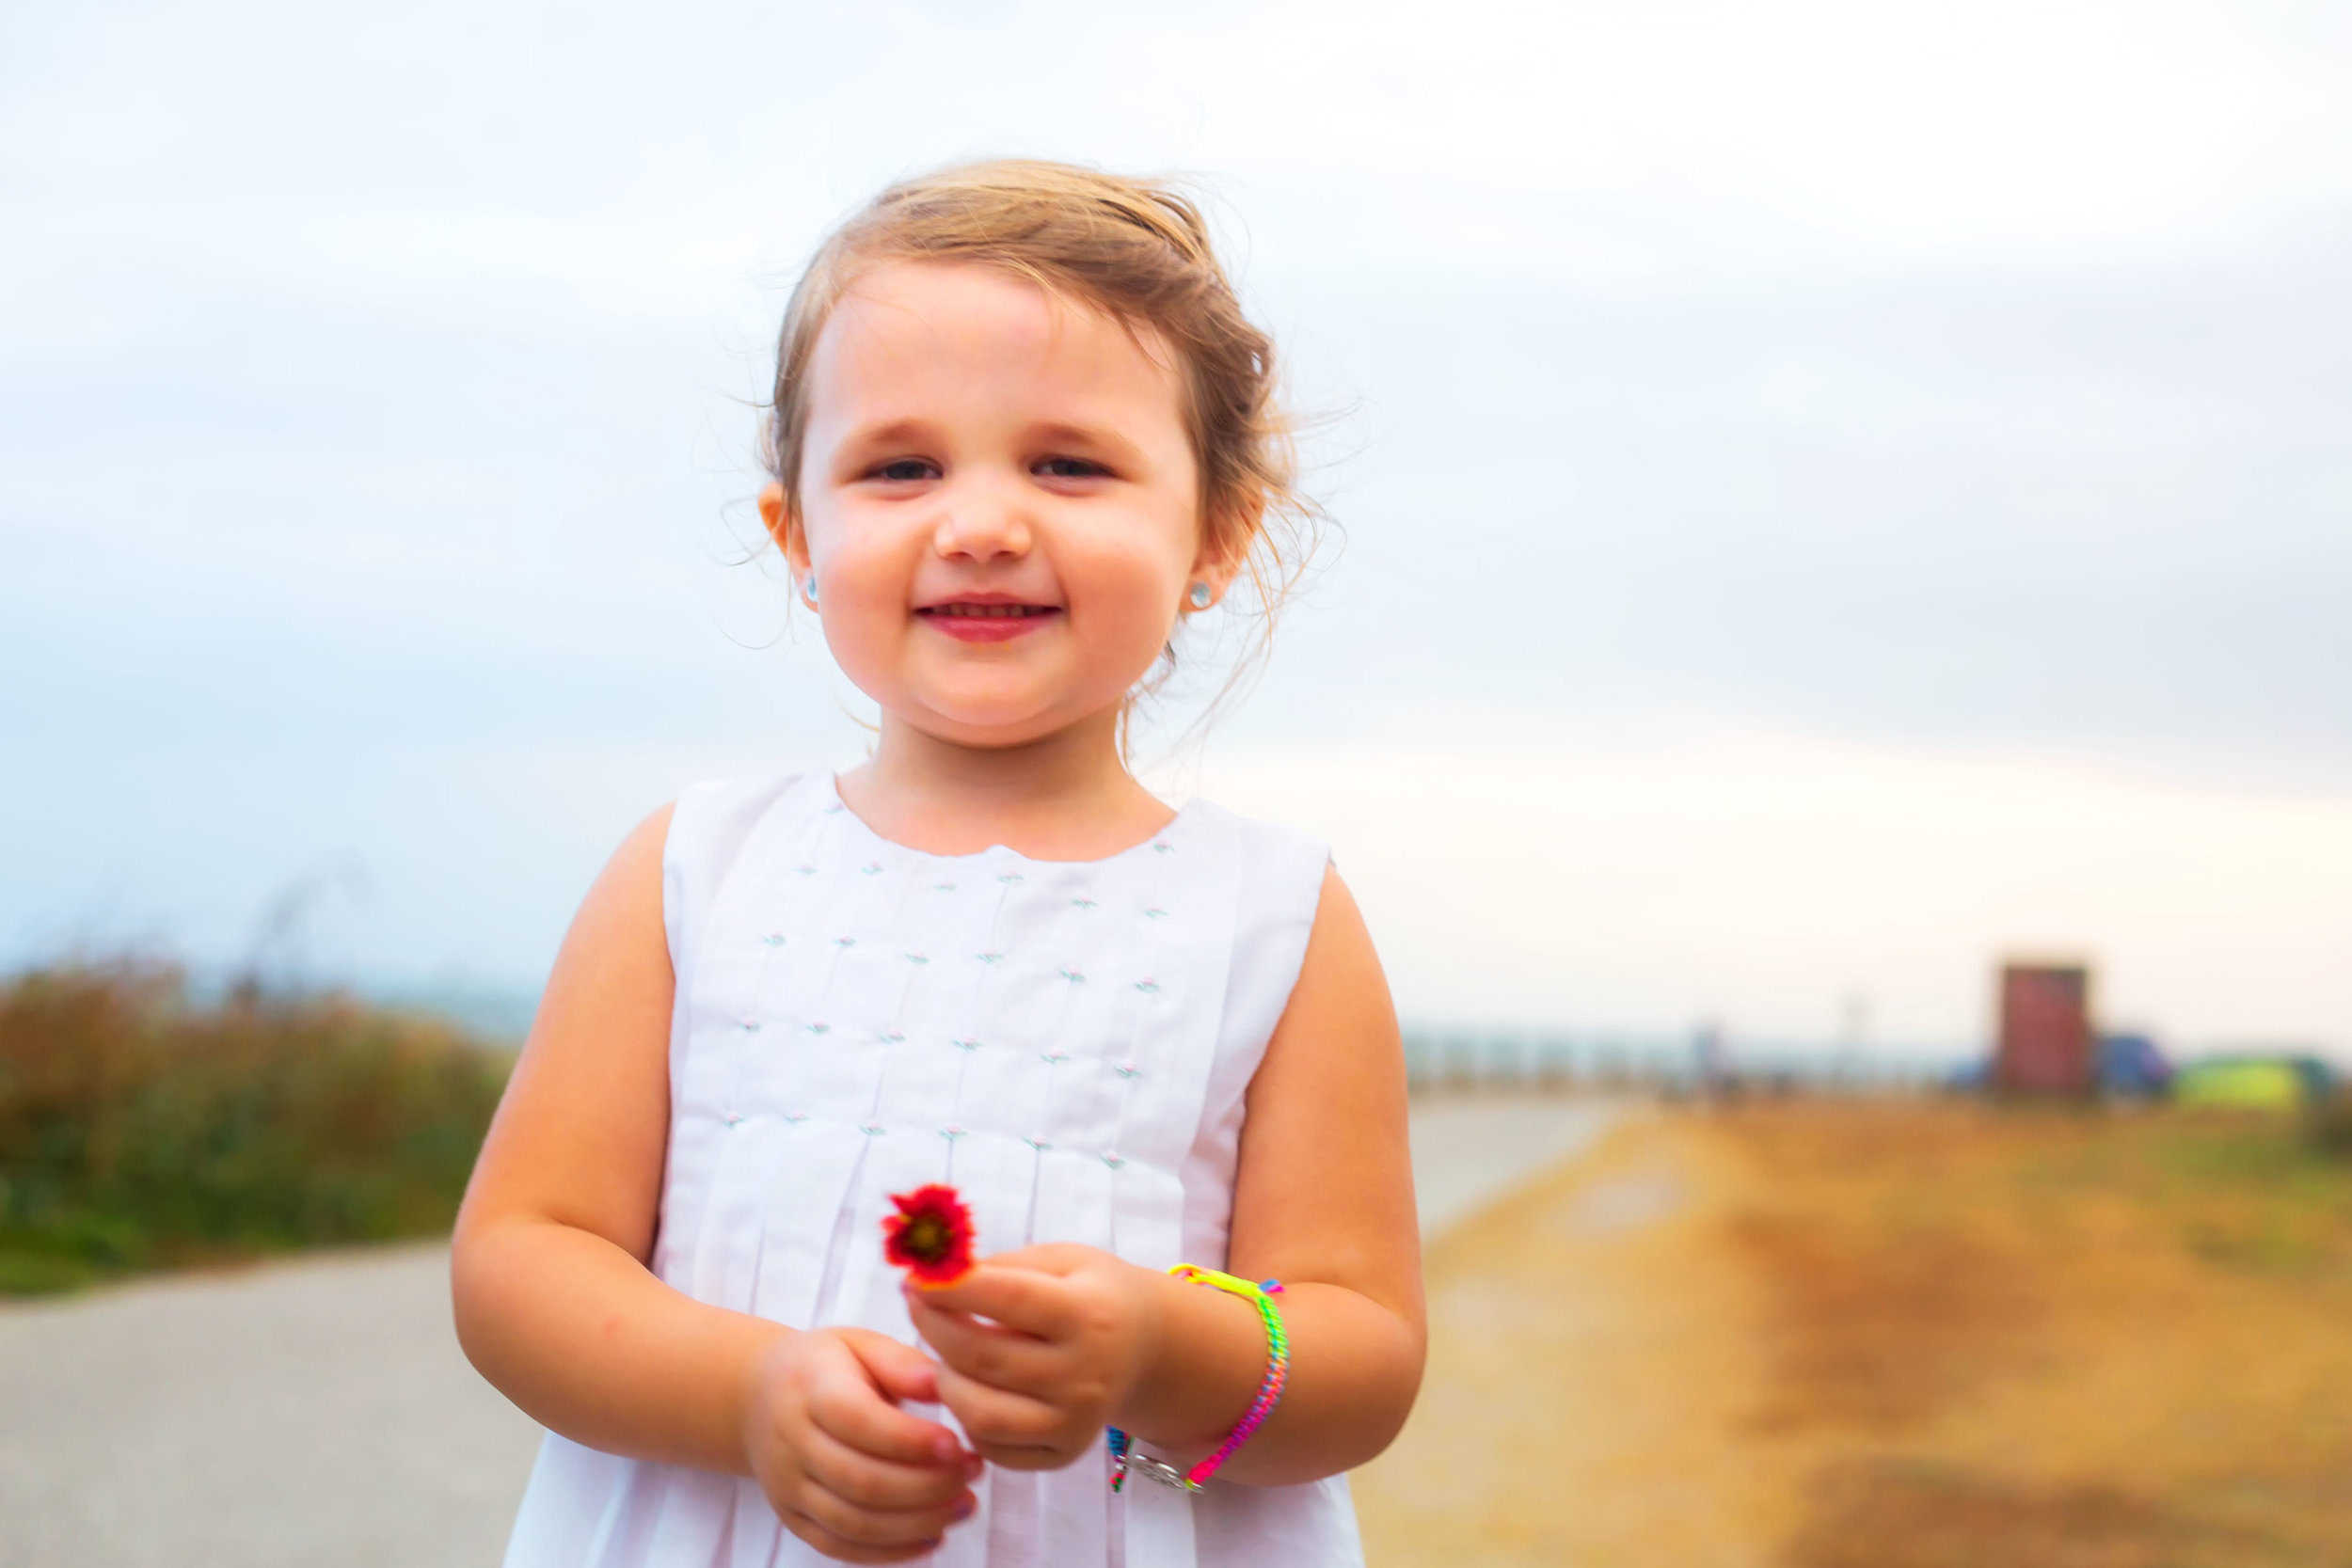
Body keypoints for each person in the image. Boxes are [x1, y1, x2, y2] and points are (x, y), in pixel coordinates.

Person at [451, 161, 1423, 1568]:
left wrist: (1162, 1347)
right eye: (899, 466)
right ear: (798, 530)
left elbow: (1363, 1356)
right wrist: (748, 1396)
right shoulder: (697, 871)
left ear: (1216, 530)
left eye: (1068, 463)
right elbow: (518, 1265)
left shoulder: (1273, 918)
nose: (979, 522)